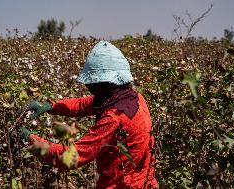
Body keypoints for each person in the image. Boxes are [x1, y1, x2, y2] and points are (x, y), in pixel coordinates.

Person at [21, 40, 159, 188]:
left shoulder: (114, 117)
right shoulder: (134, 98)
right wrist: (50, 106)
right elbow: (82, 105)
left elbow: (71, 158)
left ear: (103, 84)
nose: (89, 88)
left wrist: (30, 139)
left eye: (92, 84)